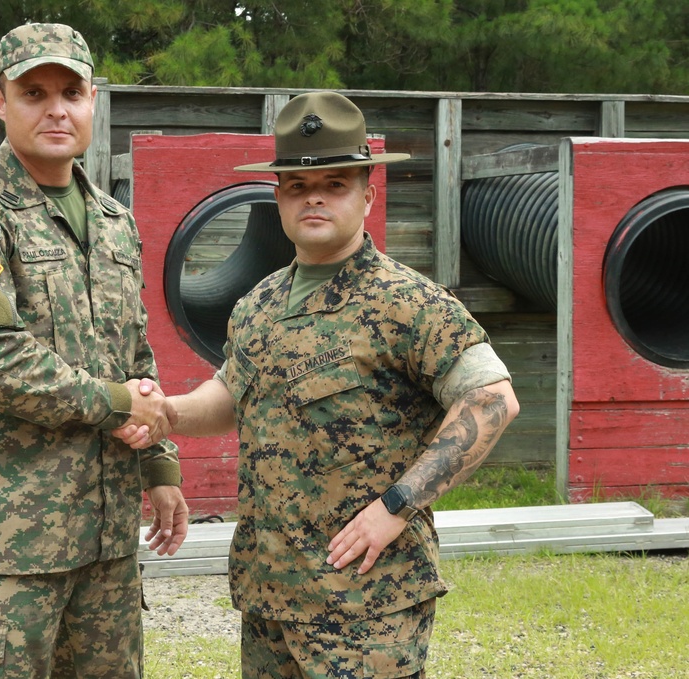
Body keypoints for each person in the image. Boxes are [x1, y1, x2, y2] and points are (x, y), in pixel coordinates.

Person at [116, 91, 519, 678]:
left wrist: (397, 506)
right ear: (278, 197)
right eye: (299, 186)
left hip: (365, 602)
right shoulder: (258, 303)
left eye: (335, 184)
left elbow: (492, 400)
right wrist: (168, 412)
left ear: (367, 195)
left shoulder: (406, 302)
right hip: (270, 593)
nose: (315, 198)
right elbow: (232, 395)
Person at [0, 22, 188, 678]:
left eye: (71, 91)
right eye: (33, 92)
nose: (56, 108)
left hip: (105, 532)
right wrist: (115, 401)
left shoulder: (115, 223)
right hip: (9, 539)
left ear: (94, 99)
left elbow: (133, 350)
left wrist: (160, 464)